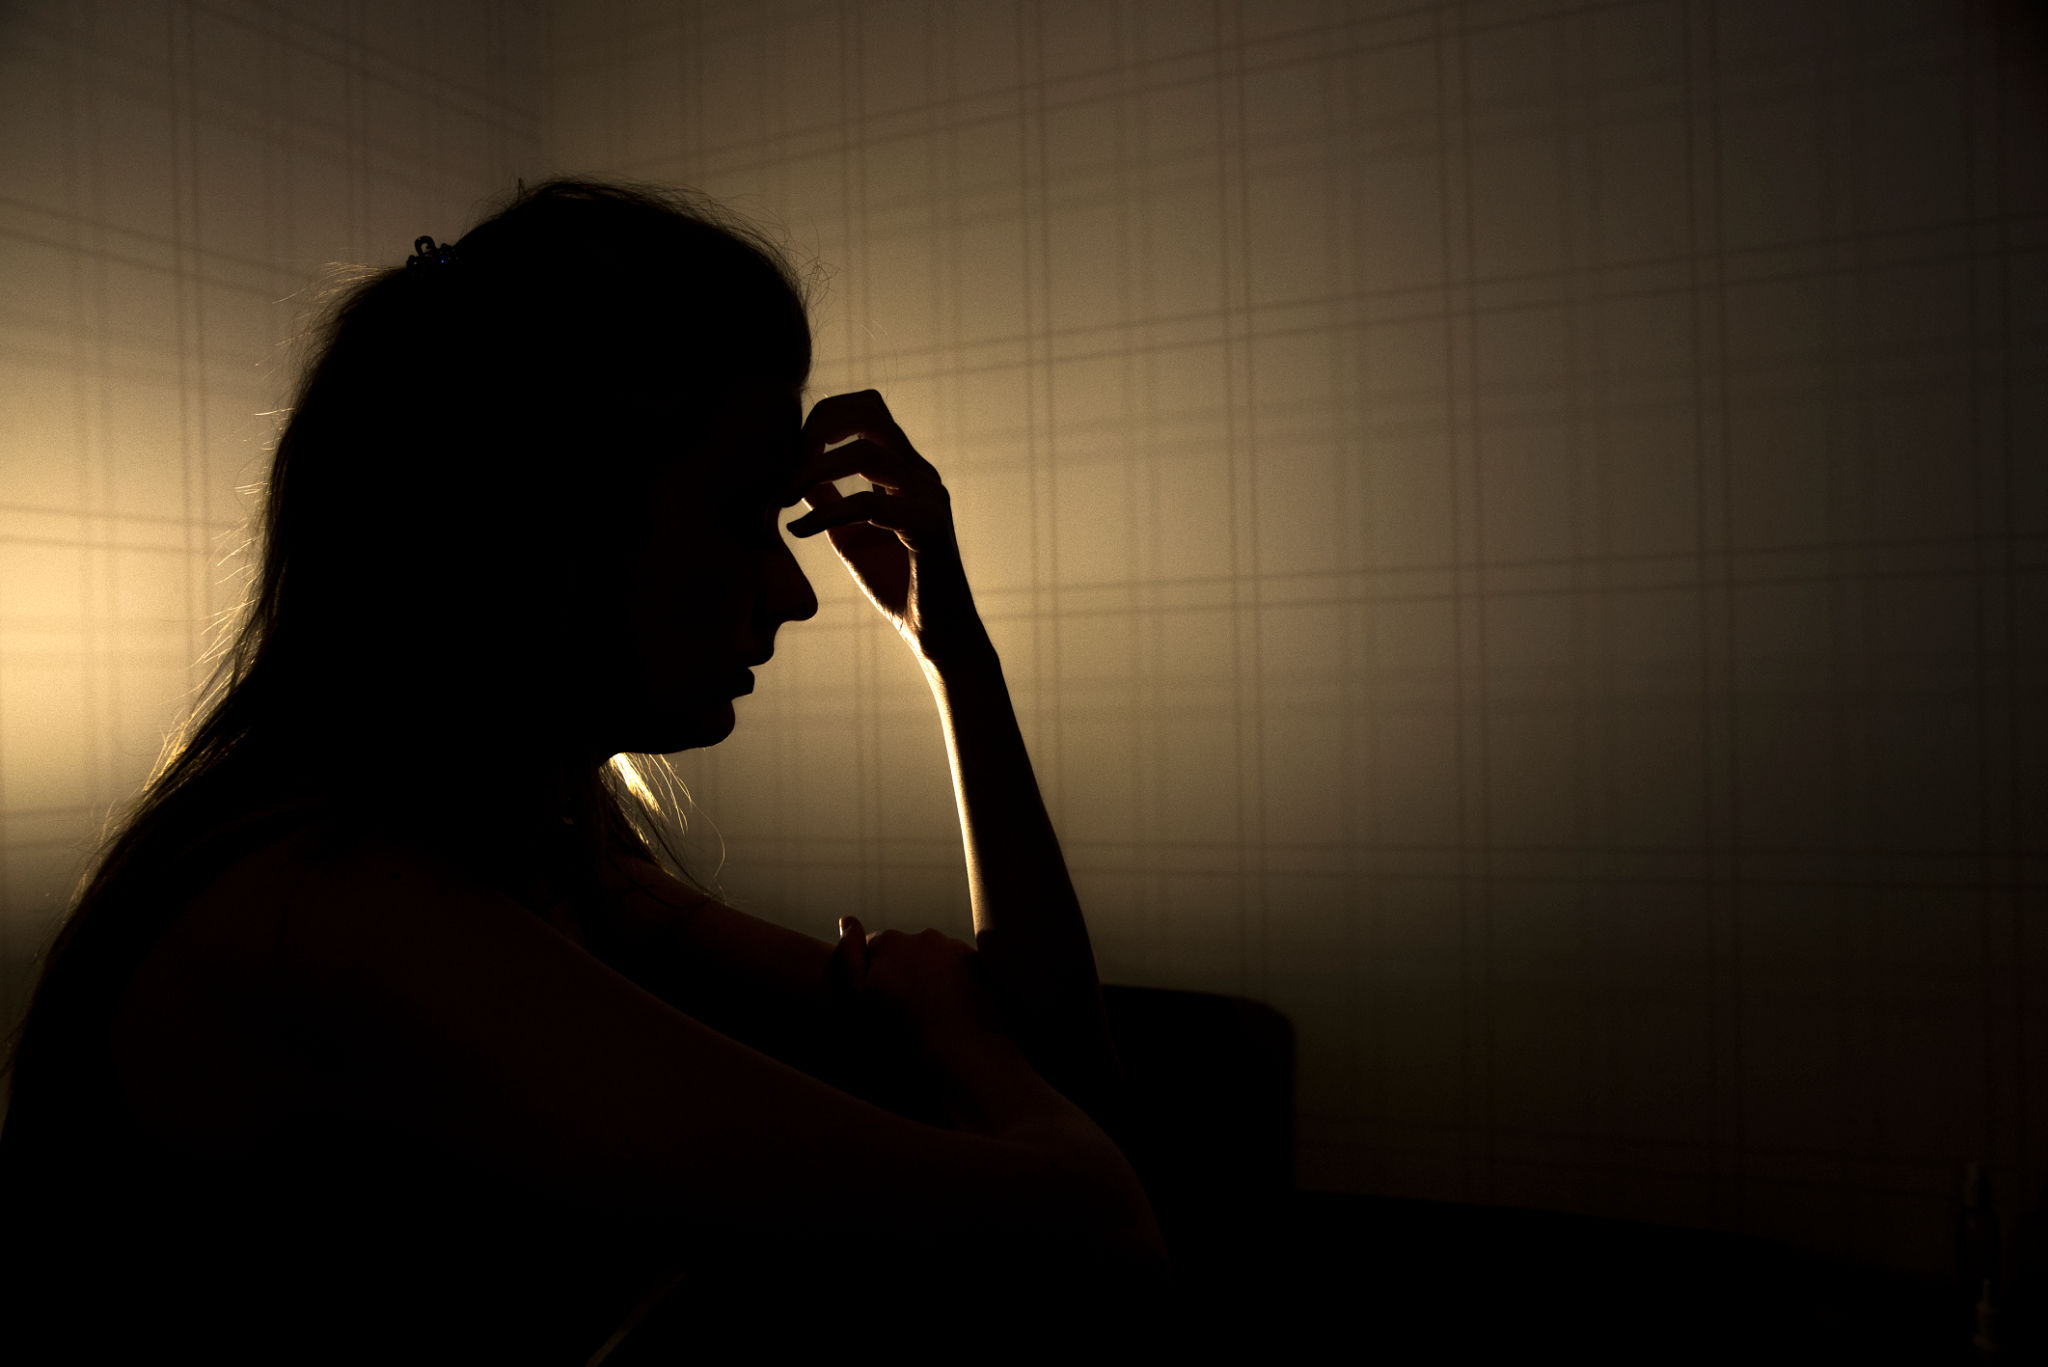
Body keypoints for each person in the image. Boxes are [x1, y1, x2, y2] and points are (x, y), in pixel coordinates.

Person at [0, 180, 1175, 1363]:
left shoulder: (550, 852)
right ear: (544, 527)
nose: (796, 590)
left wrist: (949, 643)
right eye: (738, 515)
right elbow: (1093, 1234)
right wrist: (953, 1038)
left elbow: (1060, 1058)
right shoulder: (345, 917)